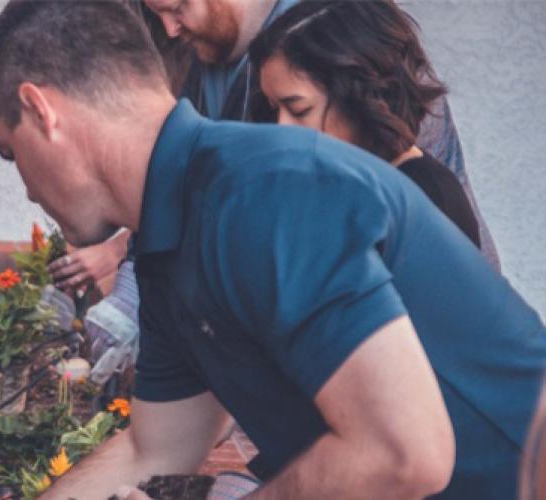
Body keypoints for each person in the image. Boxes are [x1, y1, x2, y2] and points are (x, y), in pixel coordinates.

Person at [0, 1, 546, 498]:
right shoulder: (166, 247)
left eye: (10, 151)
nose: (25, 186)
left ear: (42, 111)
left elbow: (405, 453)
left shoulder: (263, 187)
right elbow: (151, 448)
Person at [49, 0, 498, 296]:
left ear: (358, 92)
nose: (168, 27)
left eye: (179, 5)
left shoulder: (343, 36)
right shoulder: (203, 56)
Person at [249, 0, 480, 248]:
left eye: (299, 110)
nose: (281, 128)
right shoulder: (336, 188)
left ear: (361, 97)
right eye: (275, 110)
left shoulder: (426, 200)